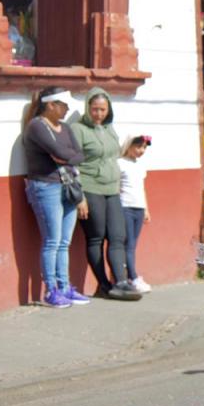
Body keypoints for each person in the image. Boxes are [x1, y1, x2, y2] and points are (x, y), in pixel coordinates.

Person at [22, 87, 91, 308]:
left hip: (68, 186)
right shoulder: (36, 126)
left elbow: (78, 155)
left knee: (64, 242)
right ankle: (51, 291)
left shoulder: (66, 128)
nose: (67, 109)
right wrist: (66, 156)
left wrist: (66, 157)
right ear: (50, 105)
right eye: (64, 105)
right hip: (46, 187)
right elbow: (62, 153)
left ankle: (65, 287)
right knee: (52, 241)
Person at [71, 87, 141, 301]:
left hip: (112, 189)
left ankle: (120, 282)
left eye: (103, 109)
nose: (99, 114)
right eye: (95, 109)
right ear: (87, 108)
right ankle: (103, 284)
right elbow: (72, 164)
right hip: (90, 187)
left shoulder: (110, 128)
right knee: (96, 237)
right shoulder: (78, 129)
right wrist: (80, 196)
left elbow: (114, 155)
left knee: (118, 236)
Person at [119, 135, 152, 294]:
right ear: (129, 146)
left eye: (144, 147)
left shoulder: (140, 166)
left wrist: (146, 209)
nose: (141, 151)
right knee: (129, 243)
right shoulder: (120, 163)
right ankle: (133, 277)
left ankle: (129, 276)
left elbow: (141, 188)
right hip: (125, 207)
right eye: (138, 147)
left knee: (132, 244)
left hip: (139, 208)